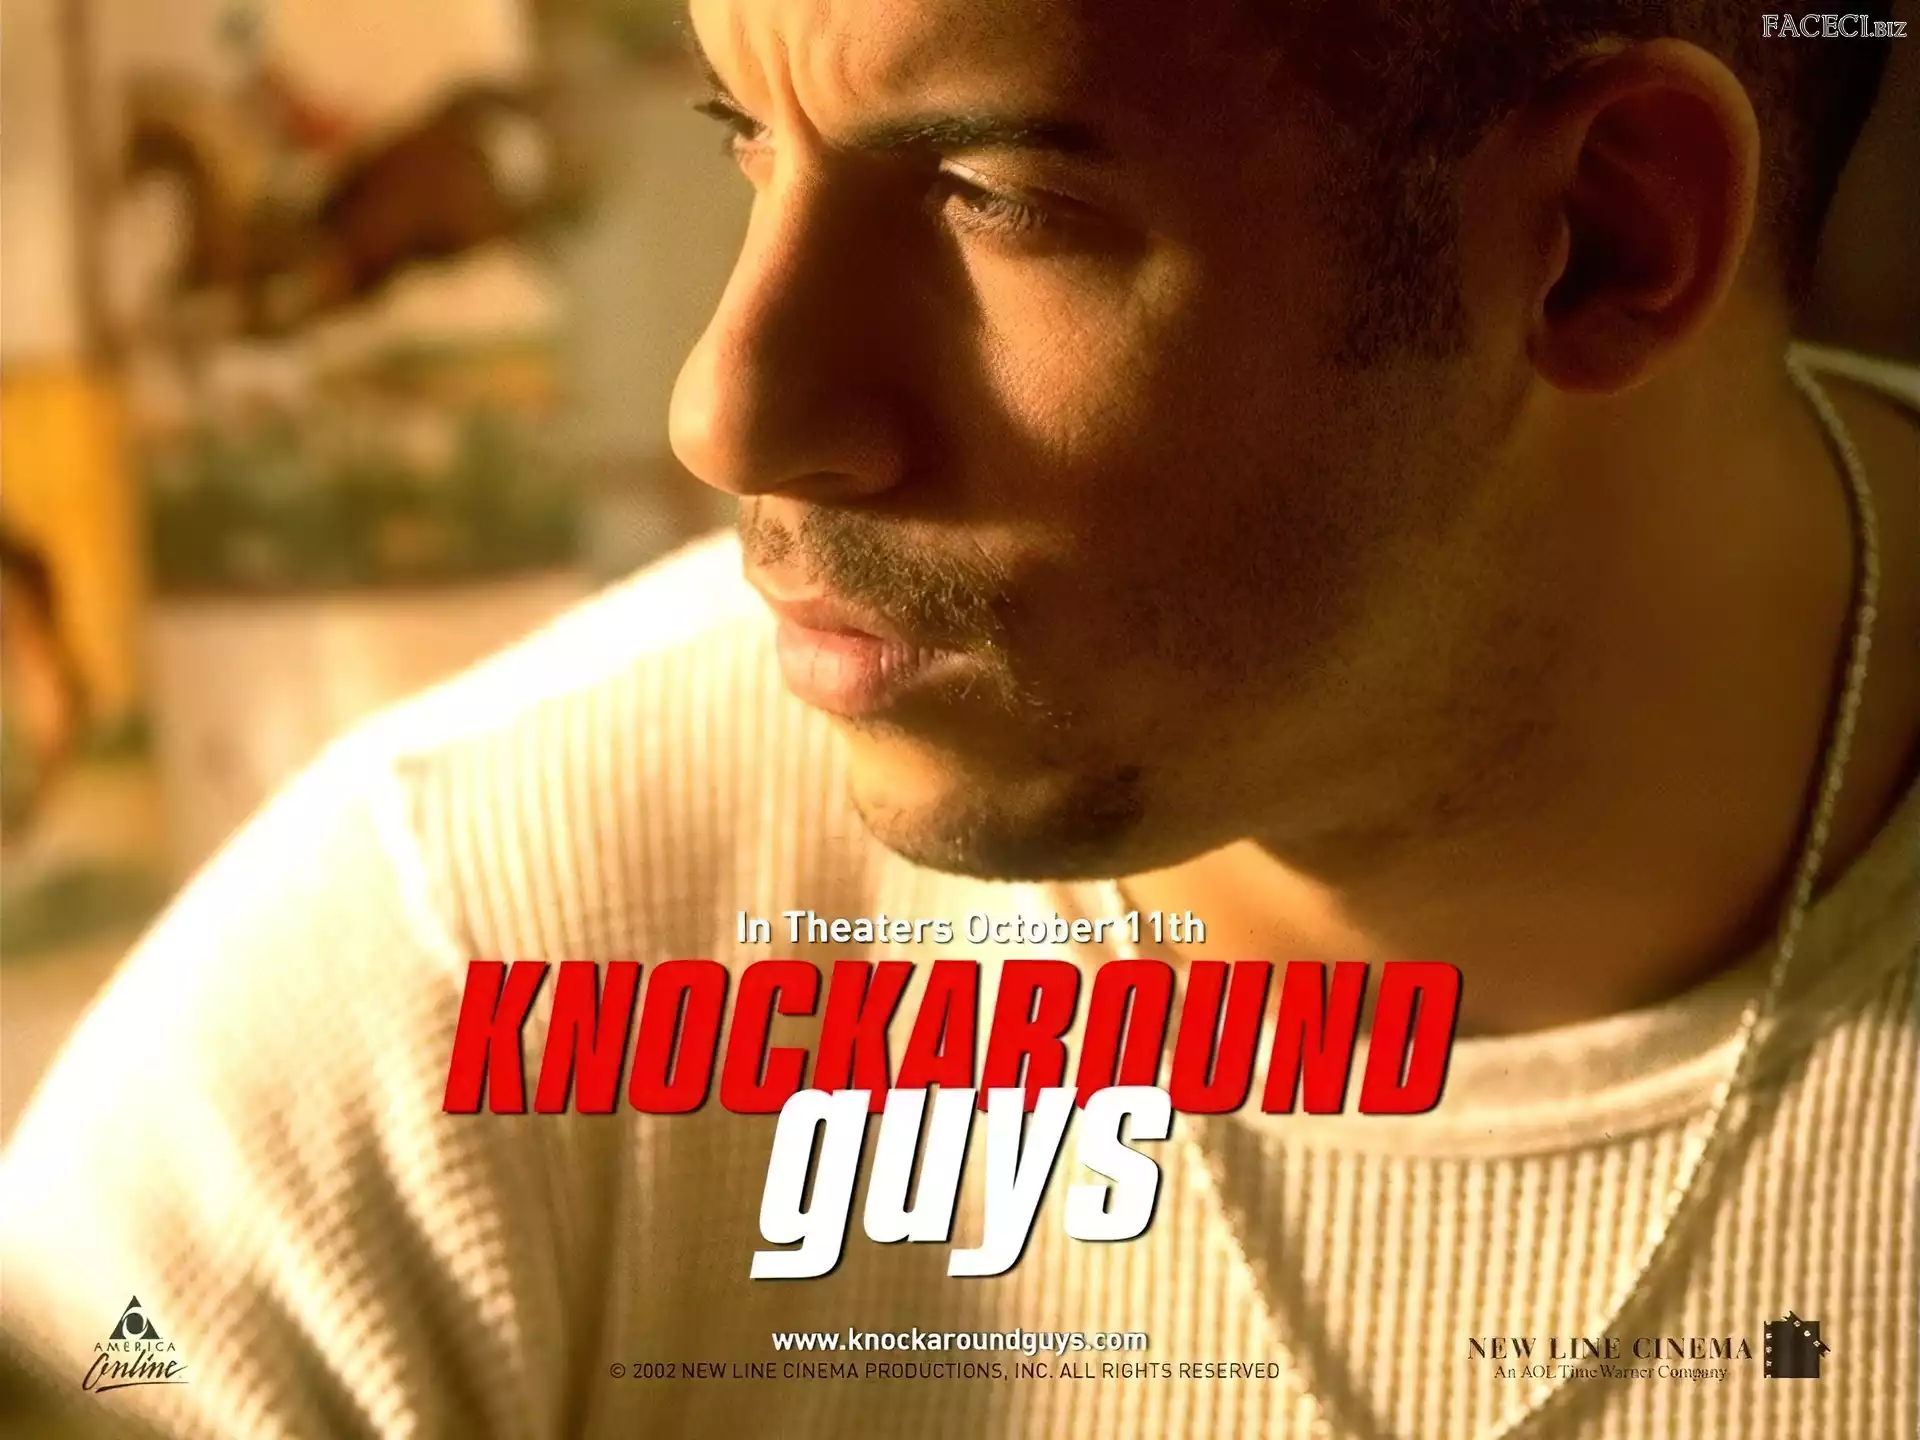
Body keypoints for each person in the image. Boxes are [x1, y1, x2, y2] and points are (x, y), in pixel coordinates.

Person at [3, 2, 1915, 1437]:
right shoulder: (462, 961)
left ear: (1602, 237)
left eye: (995, 197)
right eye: (746, 139)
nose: (726, 412)